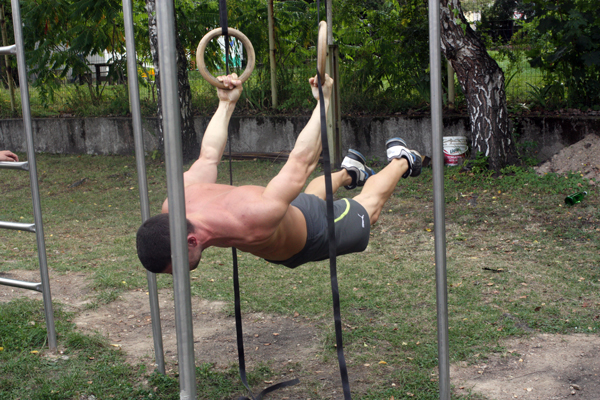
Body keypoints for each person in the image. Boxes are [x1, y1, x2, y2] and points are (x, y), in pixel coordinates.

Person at [136, 73, 422, 274]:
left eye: (178, 270)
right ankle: (350, 171)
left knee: (367, 210)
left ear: (191, 241)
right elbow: (207, 156)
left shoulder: (253, 215)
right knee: (306, 198)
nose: (181, 276)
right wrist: (226, 103)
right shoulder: (174, 203)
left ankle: (402, 160)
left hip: (314, 233)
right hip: (284, 218)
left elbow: (301, 163)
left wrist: (324, 102)